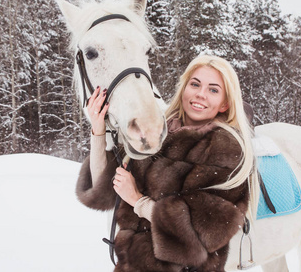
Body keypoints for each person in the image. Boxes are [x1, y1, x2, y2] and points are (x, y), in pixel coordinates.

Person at [76, 55, 258, 272]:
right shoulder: (154, 132)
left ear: (225, 103)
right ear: (184, 88)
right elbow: (102, 190)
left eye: (213, 90)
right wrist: (98, 130)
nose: (200, 94)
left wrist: (138, 201)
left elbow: (200, 240)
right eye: (195, 84)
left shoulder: (226, 150)